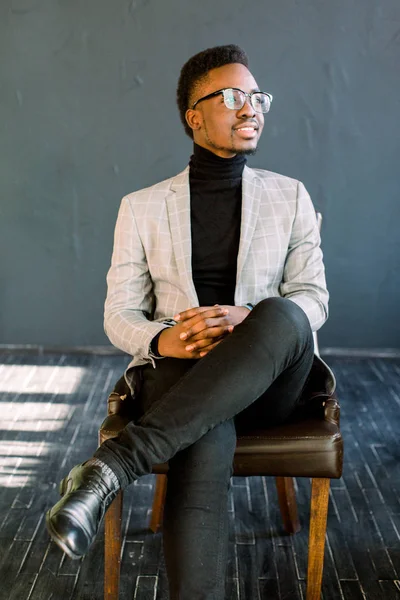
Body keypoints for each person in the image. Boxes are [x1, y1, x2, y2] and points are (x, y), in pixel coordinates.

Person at [46, 44, 335, 599]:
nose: (249, 107)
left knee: (281, 313)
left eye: (256, 97)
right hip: (182, 377)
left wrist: (249, 319)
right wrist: (164, 338)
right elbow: (118, 314)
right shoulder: (142, 207)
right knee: (205, 432)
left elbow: (314, 299)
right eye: (231, 97)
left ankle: (111, 468)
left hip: (271, 383)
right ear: (194, 116)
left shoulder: (289, 197)